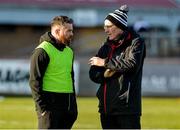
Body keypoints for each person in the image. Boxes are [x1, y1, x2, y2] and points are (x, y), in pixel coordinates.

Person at [89, 5, 146, 129]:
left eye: (109, 26)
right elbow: (93, 73)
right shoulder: (105, 46)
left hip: (127, 109)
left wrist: (105, 63)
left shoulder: (136, 42)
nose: (106, 30)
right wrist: (105, 73)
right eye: (105, 26)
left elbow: (132, 64)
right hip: (106, 108)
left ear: (120, 26)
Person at [29, 16, 78, 129]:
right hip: (49, 111)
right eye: (68, 31)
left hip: (68, 109)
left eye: (72, 30)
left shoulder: (69, 51)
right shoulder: (42, 51)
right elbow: (34, 82)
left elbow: (71, 78)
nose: (72, 33)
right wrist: (42, 110)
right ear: (57, 31)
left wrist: (73, 108)